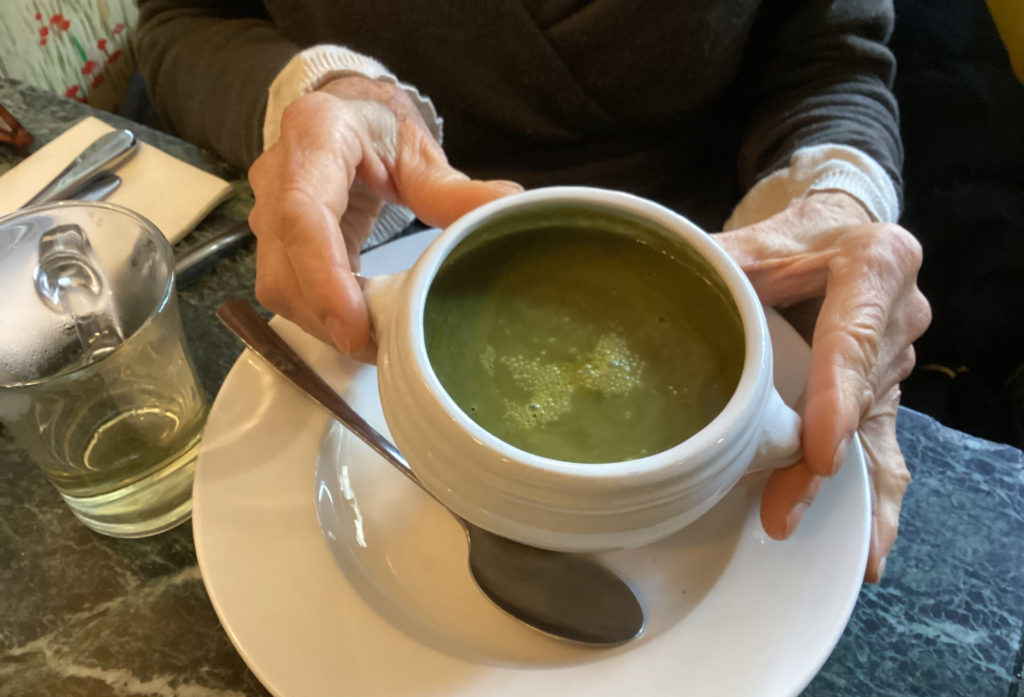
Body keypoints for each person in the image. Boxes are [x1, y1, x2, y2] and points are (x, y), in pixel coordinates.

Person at [136, 0, 931, 583]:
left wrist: (833, 202)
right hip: (383, 222)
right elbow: (183, 21)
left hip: (723, 241)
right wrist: (328, 90)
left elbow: (830, 61)